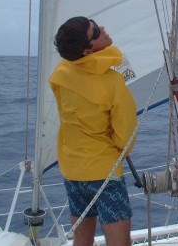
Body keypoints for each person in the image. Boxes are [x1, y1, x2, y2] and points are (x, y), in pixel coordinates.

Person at [49, 16, 137, 246]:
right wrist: (115, 152)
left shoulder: (60, 73)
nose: (103, 29)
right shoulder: (112, 82)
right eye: (96, 31)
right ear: (87, 51)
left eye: (94, 24)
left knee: (82, 240)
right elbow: (125, 137)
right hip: (104, 173)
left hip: (72, 169)